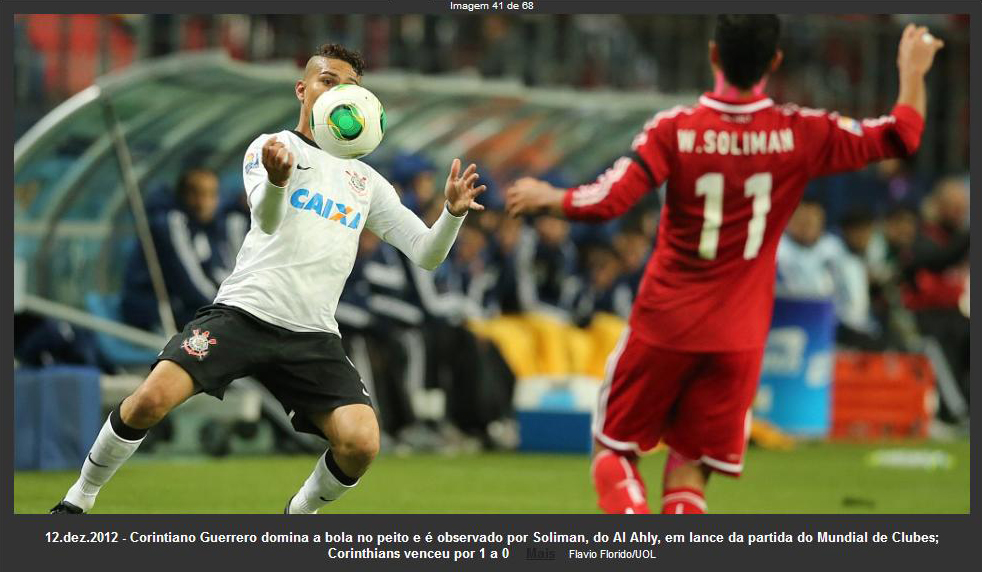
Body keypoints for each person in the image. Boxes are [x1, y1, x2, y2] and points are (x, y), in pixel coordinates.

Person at [506, 16, 941, 514]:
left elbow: (610, 200)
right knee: (690, 468)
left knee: (614, 451)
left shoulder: (676, 129)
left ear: (713, 55)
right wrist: (912, 71)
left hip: (664, 322)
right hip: (738, 337)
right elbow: (902, 136)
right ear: (774, 62)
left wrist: (553, 197)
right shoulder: (802, 131)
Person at [51, 43, 486, 514]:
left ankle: (296, 518)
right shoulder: (272, 148)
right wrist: (279, 182)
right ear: (303, 90)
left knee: (361, 443)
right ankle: (78, 500)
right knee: (150, 400)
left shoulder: (367, 182)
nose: (341, 94)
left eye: (352, 87)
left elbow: (426, 254)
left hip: (313, 335)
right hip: (244, 313)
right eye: (328, 81)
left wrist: (452, 214)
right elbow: (267, 218)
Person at [120, 167, 229, 331]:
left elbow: (216, 272)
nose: (204, 202)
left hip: (181, 308)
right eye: (198, 194)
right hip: (151, 312)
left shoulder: (201, 228)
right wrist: (221, 309)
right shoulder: (172, 222)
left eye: (211, 194)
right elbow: (188, 278)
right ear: (184, 196)